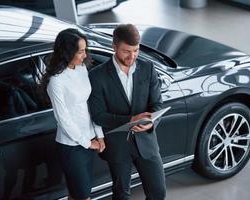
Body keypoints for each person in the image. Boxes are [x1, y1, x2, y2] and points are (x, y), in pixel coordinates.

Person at [88, 24, 166, 200]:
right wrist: (131, 119)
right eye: (126, 51)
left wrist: (152, 122)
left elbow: (157, 104)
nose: (132, 56)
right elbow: (98, 115)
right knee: (121, 195)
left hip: (146, 143)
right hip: (118, 146)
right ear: (114, 47)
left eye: (136, 50)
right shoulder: (97, 76)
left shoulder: (148, 68)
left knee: (158, 193)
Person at [41, 28, 105, 200]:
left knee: (76, 194)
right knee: (83, 196)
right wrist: (86, 142)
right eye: (80, 51)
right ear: (67, 53)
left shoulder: (81, 68)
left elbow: (90, 104)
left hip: (89, 139)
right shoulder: (56, 82)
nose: (85, 55)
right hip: (71, 146)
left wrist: (99, 135)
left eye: (85, 50)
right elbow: (63, 120)